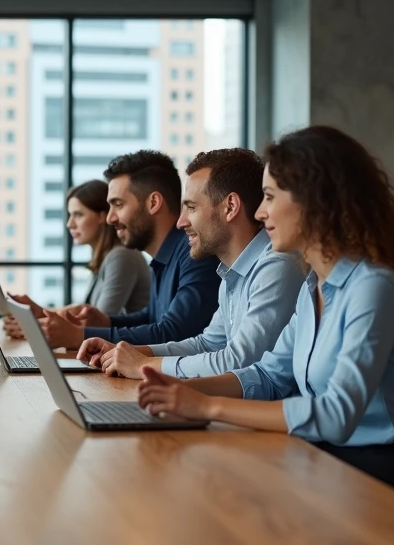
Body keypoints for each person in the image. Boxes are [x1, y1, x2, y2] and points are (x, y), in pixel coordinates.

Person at [137, 126, 394, 500]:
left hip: (387, 467)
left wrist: (208, 405)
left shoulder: (373, 288)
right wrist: (181, 390)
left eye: (268, 197)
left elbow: (337, 414)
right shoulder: (313, 287)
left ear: (316, 203)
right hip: (330, 454)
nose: (260, 213)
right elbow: (268, 374)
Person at [79, 149, 305, 380]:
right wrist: (129, 353)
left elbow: (238, 361)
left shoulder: (276, 267)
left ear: (230, 207)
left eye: (192, 207)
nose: (181, 222)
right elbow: (207, 343)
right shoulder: (231, 272)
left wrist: (144, 365)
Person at [35, 150, 221, 350]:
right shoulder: (163, 258)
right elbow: (151, 317)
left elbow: (174, 333)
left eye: (118, 204)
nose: (110, 218)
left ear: (153, 203)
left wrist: (79, 336)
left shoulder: (194, 253)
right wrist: (108, 322)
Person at [2, 180, 150, 339]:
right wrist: (39, 312)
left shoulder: (122, 256)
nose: (69, 224)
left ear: (102, 216)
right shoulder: (105, 257)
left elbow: (97, 321)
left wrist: (36, 324)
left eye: (78, 215)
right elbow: (85, 310)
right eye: (70, 215)